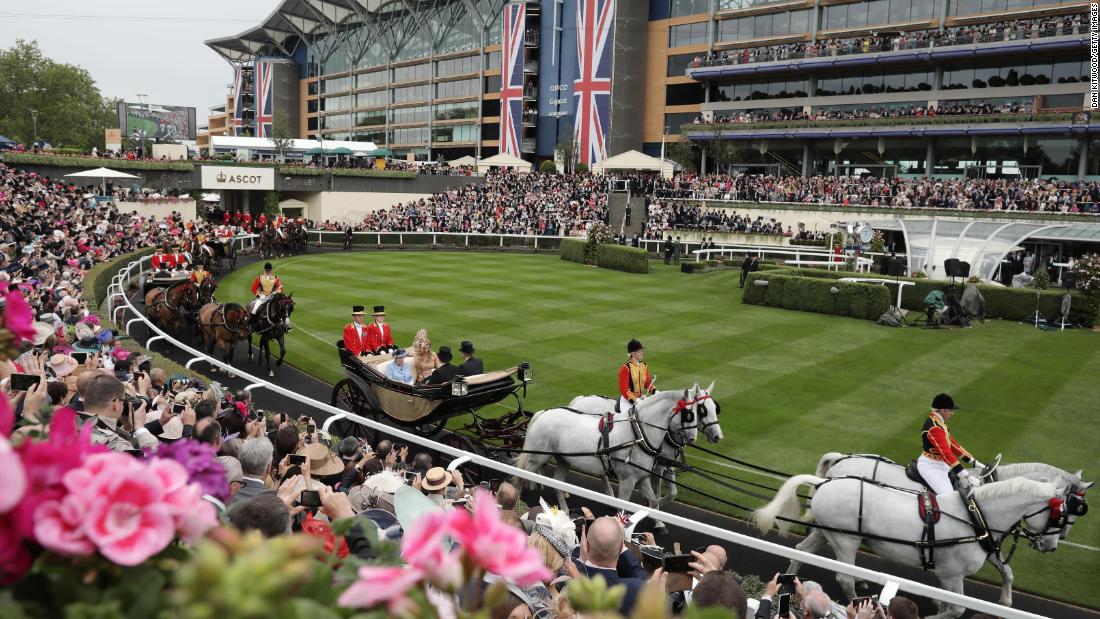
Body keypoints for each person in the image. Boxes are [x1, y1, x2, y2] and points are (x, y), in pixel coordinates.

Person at [918, 393, 982, 496]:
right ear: (942, 410)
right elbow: (946, 453)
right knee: (951, 498)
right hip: (932, 468)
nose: (952, 413)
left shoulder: (938, 422)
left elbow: (952, 444)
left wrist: (974, 462)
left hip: (941, 465)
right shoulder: (934, 428)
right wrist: (967, 476)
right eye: (951, 410)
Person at [618, 339, 654, 413]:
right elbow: (624, 390)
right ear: (633, 353)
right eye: (639, 352)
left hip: (640, 399)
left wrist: (656, 392)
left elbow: (647, 383)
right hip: (627, 402)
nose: (642, 353)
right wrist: (636, 400)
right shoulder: (625, 368)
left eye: (642, 351)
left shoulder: (644, 365)